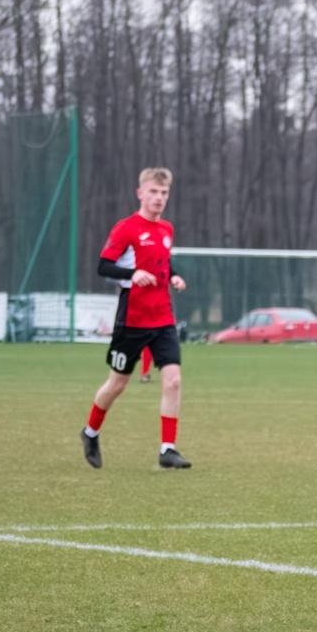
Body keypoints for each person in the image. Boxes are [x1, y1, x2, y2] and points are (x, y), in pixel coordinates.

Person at [81, 167, 190, 469]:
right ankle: (90, 433)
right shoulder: (126, 228)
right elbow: (103, 266)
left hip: (163, 318)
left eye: (164, 193)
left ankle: (168, 450)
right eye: (153, 192)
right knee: (117, 384)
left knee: (173, 380)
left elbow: (164, 260)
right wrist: (132, 274)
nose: (159, 198)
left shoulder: (166, 229)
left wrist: (175, 276)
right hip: (131, 320)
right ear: (140, 193)